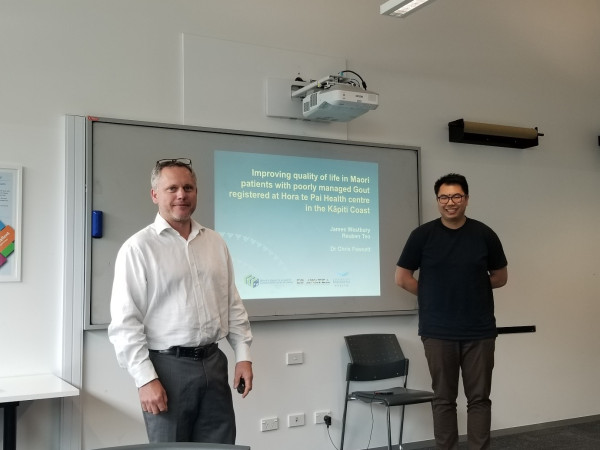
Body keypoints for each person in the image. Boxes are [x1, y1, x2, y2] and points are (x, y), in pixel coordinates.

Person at [108, 158, 253, 444]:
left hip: (213, 363)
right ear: (155, 195)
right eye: (171, 188)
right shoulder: (138, 248)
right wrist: (145, 379)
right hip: (166, 369)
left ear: (196, 192)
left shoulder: (215, 242)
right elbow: (126, 323)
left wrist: (243, 356)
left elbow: (232, 304)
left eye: (188, 187)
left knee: (221, 447)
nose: (181, 195)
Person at [395, 173, 507, 450]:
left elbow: (500, 277)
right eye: (444, 197)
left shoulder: (484, 234)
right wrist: (436, 295)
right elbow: (402, 278)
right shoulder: (422, 235)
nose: (450, 202)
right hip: (438, 331)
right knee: (443, 399)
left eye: (456, 196)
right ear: (437, 201)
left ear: (466, 199)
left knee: (479, 399)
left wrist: (469, 289)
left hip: (479, 331)